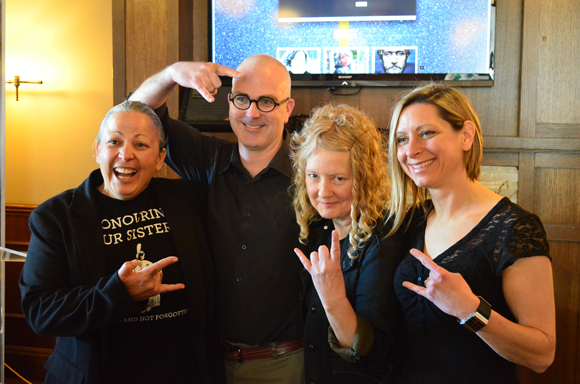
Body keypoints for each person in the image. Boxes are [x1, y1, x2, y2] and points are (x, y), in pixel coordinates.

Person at [128, 54, 305, 384]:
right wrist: (170, 74)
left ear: (287, 108)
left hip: (283, 363)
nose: (251, 113)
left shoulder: (313, 174)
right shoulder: (208, 160)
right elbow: (132, 117)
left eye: (266, 101)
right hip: (206, 362)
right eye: (242, 99)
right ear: (229, 103)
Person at [19, 100, 223, 384]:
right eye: (114, 141)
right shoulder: (56, 217)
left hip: (185, 373)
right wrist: (119, 293)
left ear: (160, 157)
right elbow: (41, 311)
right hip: (96, 375)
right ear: (98, 150)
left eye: (141, 145)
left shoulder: (190, 199)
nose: (125, 154)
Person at [386, 83, 556, 383]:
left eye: (427, 133)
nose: (411, 150)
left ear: (465, 135)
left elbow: (542, 355)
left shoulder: (514, 227)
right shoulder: (410, 221)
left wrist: (470, 309)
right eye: (402, 139)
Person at [291, 104, 403, 383]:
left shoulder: (382, 241)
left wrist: (333, 299)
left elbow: (373, 355)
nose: (323, 191)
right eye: (314, 176)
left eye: (338, 178)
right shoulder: (319, 228)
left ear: (364, 178)